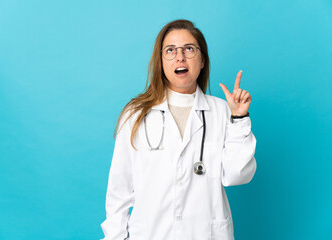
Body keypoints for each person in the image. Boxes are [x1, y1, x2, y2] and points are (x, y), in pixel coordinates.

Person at [100, 19, 256, 240]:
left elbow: (236, 176)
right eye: (170, 50)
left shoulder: (222, 112)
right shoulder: (136, 114)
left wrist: (239, 118)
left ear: (202, 61)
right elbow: (119, 191)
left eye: (189, 49)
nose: (180, 57)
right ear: (161, 61)